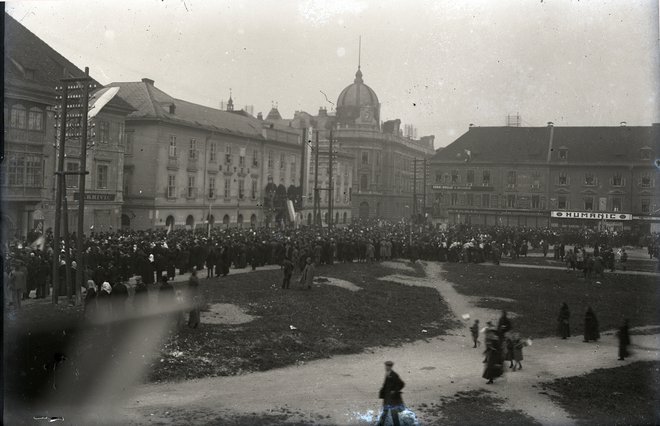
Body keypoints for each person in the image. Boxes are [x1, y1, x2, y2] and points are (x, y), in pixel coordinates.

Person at [378, 361, 405, 426]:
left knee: (394, 414)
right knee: (385, 413)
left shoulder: (394, 375)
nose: (386, 367)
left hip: (393, 399)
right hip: (387, 398)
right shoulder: (387, 374)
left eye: (388, 366)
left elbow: (402, 384)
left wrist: (394, 391)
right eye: (386, 366)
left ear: (390, 367)